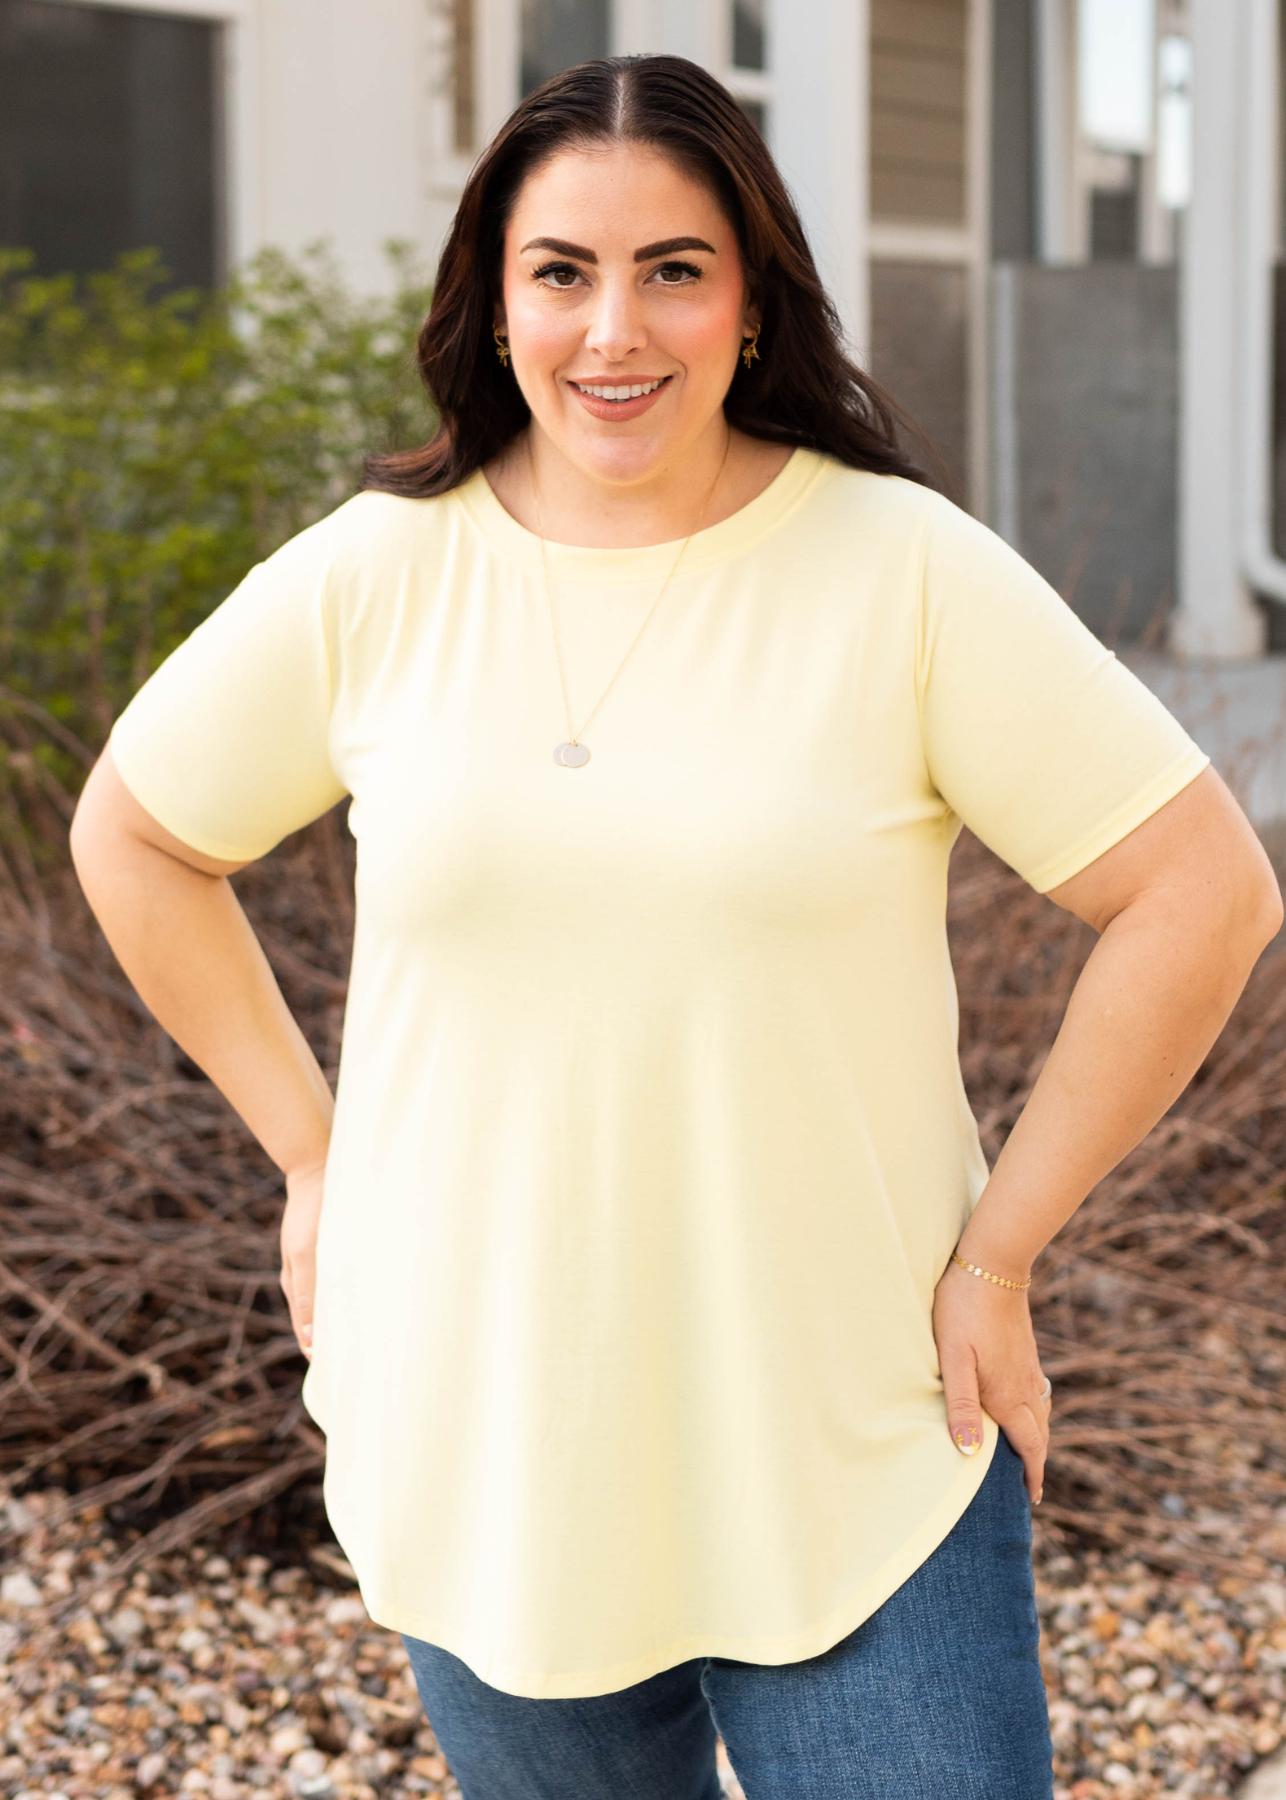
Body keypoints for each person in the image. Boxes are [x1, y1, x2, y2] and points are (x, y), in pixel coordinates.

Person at [69, 51, 1281, 1800]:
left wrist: (1001, 1256)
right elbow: (137, 832)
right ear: (492, 304)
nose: (611, 330)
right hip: (489, 1448)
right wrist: (314, 1157)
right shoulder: (372, 579)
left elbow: (1201, 893)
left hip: (854, 1448)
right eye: (560, 271)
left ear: (750, 299)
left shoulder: (896, 570)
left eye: (672, 269)